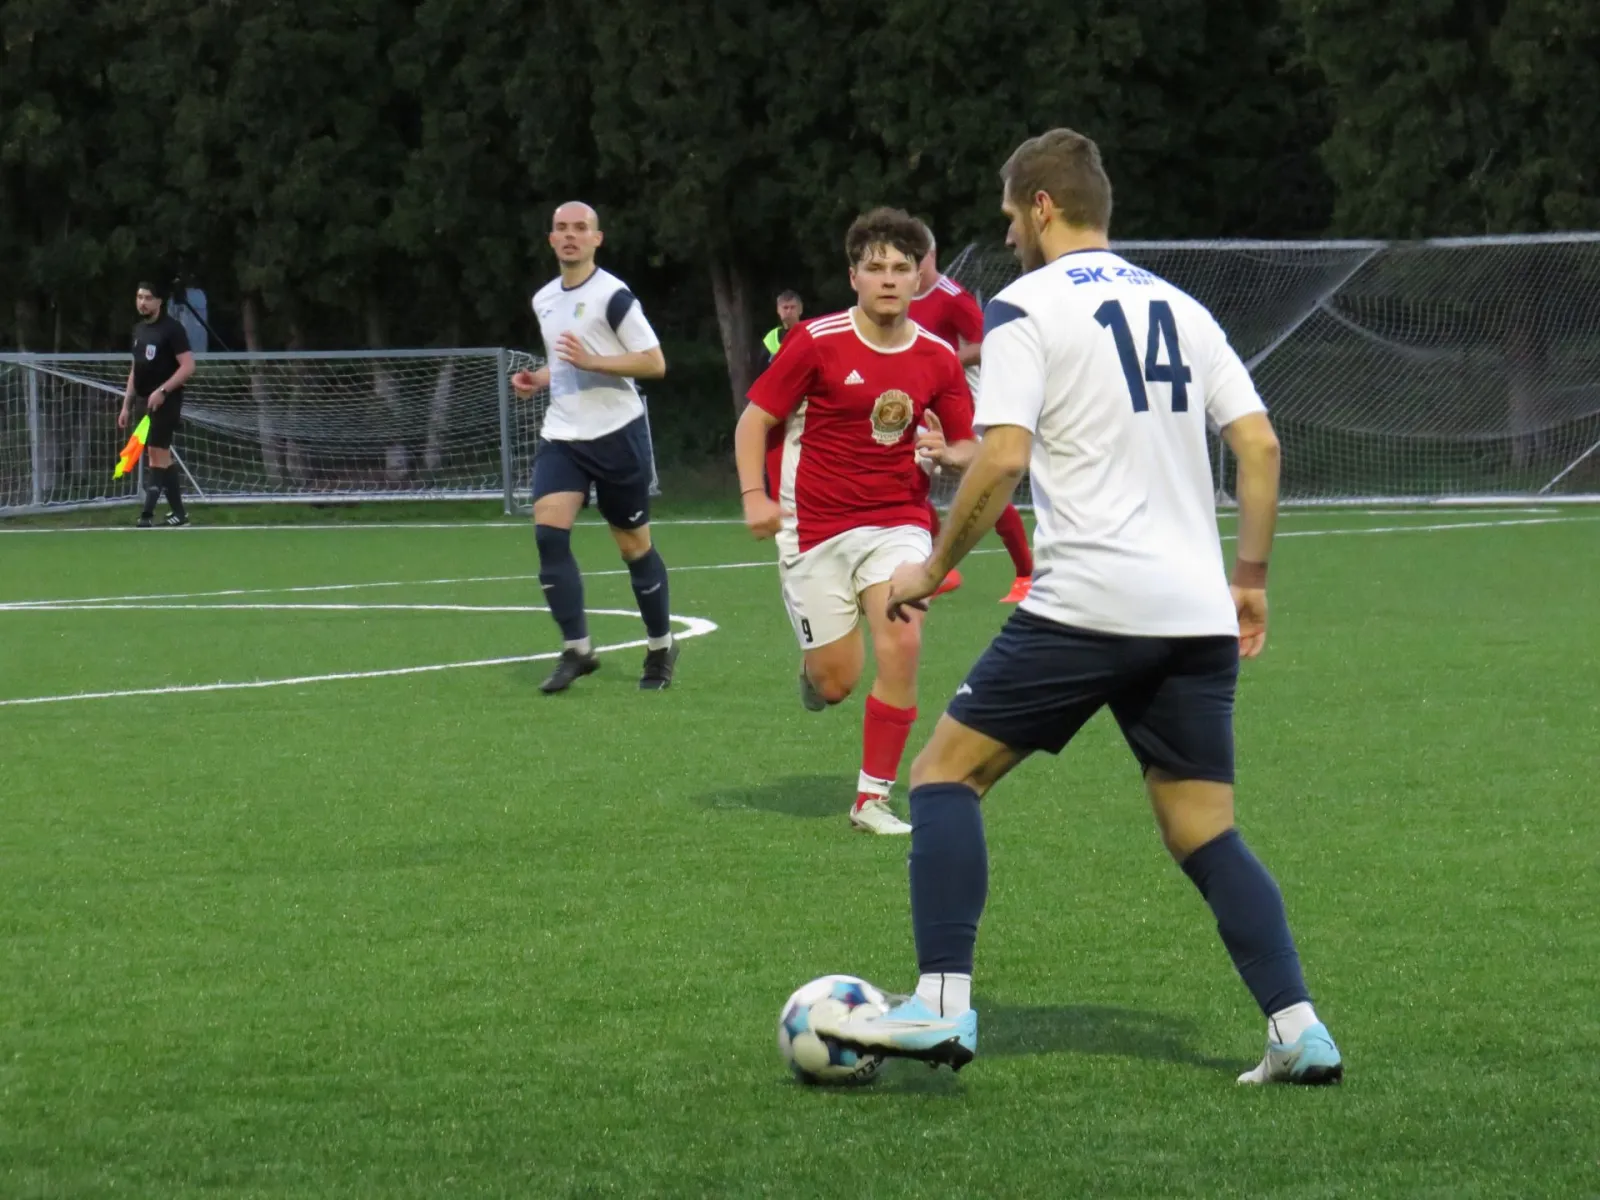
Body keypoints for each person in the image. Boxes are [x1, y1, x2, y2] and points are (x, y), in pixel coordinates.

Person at [812, 130, 1343, 1086]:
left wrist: (931, 568)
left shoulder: (1028, 306)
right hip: (1193, 612)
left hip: (1090, 601)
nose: (1007, 232)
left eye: (1010, 214)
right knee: (1205, 829)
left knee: (941, 779)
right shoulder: (1181, 307)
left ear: (1044, 207)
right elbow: (1260, 447)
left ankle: (940, 1007)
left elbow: (1004, 458)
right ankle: (1299, 1028)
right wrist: (1251, 579)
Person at [735, 207, 977, 835]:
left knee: (903, 640)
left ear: (919, 277)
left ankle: (872, 799)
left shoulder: (938, 357)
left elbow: (967, 446)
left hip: (898, 520)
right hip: (814, 526)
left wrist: (952, 454)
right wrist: (754, 496)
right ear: (854, 277)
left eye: (901, 267)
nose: (889, 278)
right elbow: (754, 420)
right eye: (876, 267)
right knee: (836, 682)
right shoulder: (816, 341)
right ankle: (814, 674)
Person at [510, 201, 678, 693]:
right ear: (551, 239)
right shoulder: (544, 298)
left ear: (596, 239)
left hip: (616, 435)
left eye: (580, 228)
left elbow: (654, 363)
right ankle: (577, 649)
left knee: (633, 548)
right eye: (562, 228)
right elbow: (566, 362)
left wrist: (593, 361)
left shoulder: (614, 297)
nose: (570, 235)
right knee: (548, 535)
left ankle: (661, 645)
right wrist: (539, 379)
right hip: (563, 436)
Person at [908, 225, 1035, 603]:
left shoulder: (952, 297)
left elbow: (986, 343)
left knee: (985, 487)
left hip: (958, 404)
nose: (909, 266)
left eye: (915, 258)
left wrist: (944, 359)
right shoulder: (902, 298)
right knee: (907, 479)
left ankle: (1026, 574)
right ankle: (940, 569)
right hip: (920, 405)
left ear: (931, 256)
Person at [119, 281, 196, 527]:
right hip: (144, 401)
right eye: (139, 297)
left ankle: (147, 514)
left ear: (159, 301)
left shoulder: (172, 329)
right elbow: (136, 369)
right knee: (160, 455)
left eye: (148, 298)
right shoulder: (139, 330)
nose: (142, 302)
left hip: (166, 400)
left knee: (156, 453)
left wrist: (163, 390)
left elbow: (188, 366)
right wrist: (126, 405)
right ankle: (179, 514)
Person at [762, 291, 804, 361]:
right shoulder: (771, 338)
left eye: (792, 307)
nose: (789, 311)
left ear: (800, 310)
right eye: (785, 308)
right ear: (778, 310)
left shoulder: (810, 333)